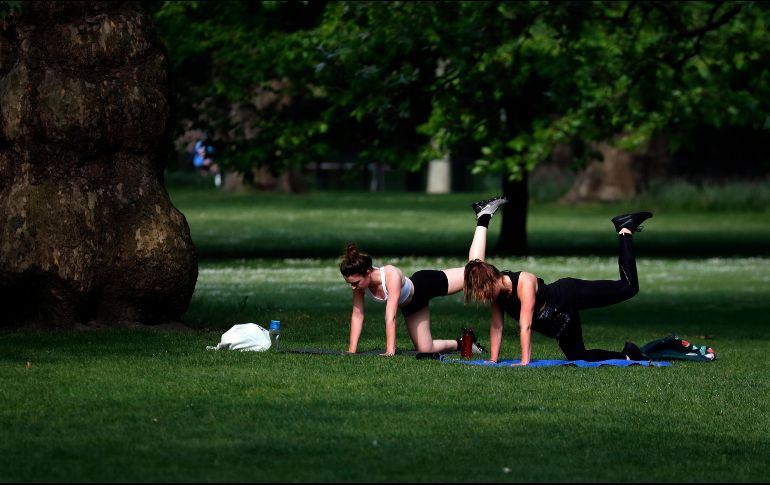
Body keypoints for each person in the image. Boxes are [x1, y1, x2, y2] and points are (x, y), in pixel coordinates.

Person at [463, 210, 654, 365]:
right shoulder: (498, 295)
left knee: (628, 287)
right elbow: (497, 327)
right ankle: (629, 355)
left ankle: (625, 229)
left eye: (487, 292)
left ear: (493, 278)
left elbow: (526, 325)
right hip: (561, 322)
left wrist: (524, 362)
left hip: (570, 294)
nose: (488, 298)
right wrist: (493, 360)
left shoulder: (524, 282)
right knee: (579, 357)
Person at [339, 196, 509, 356]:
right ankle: (466, 342)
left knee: (476, 271)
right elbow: (357, 315)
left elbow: (390, 315)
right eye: (350, 284)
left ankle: (483, 216)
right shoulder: (360, 284)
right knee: (425, 350)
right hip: (412, 306)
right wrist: (352, 351)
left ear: (368, 272)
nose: (354, 287)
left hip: (425, 284)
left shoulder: (389, 274)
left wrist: (390, 350)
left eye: (355, 283)